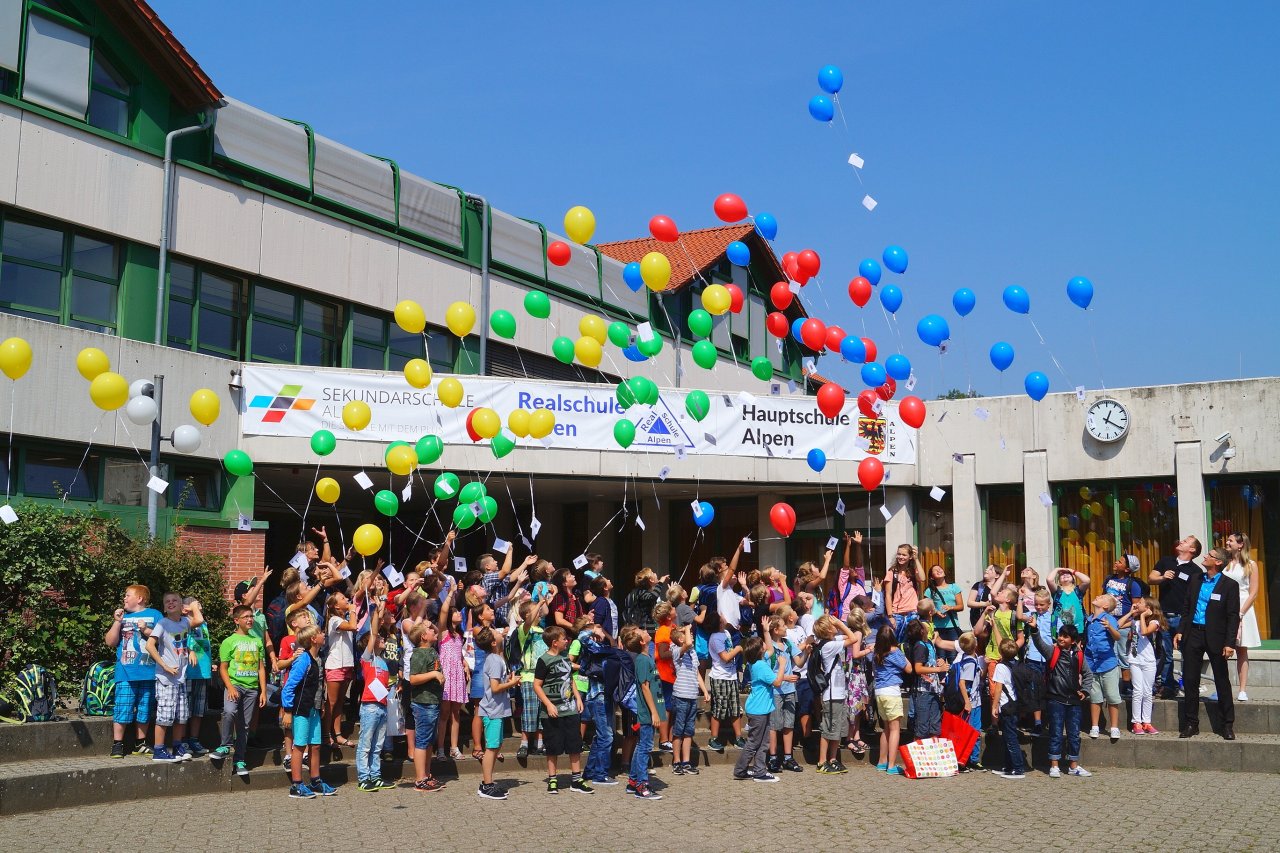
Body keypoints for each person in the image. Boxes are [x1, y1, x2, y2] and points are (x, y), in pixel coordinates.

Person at [1176, 547, 1240, 740]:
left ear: (1218, 562)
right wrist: (1180, 631)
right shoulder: (1196, 579)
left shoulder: (1229, 585)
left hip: (1217, 637)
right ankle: (1191, 724)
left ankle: (1226, 724)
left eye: (1209, 556)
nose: (1205, 557)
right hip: (1193, 633)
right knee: (1190, 679)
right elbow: (1187, 607)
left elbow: (1232, 616)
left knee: (1221, 679)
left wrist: (1230, 643)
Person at [1027, 621, 1093, 777]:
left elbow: (1088, 674)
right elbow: (1039, 643)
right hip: (1056, 698)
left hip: (1074, 701)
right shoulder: (1053, 652)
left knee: (1074, 734)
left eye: (1065, 636)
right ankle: (1054, 765)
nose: (1061, 638)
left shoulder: (1079, 655)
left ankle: (1073, 766)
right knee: (1056, 732)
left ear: (1073, 640)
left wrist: (1085, 690)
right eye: (1060, 635)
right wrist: (1035, 629)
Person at [104, 584, 163, 758]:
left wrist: (145, 630)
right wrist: (117, 621)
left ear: (140, 598)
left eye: (127, 595)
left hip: (149, 671)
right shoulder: (123, 617)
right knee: (123, 706)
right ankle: (117, 744)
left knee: (145, 708)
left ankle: (141, 743)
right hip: (126, 671)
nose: (124, 598)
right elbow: (110, 642)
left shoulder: (155, 615)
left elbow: (163, 639)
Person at [145, 592, 204, 762]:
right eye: (167, 602)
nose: (170, 603)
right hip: (166, 678)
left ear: (181, 606)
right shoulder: (163, 623)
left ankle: (178, 746)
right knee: (165, 715)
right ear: (164, 607)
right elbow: (150, 645)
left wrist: (192, 607)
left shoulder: (185, 622)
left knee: (182, 715)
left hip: (181, 677)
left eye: (174, 601)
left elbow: (199, 620)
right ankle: (159, 750)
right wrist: (164, 665)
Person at [533, 625, 592, 795]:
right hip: (552, 711)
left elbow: (570, 679)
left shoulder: (565, 657)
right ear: (554, 643)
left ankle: (576, 779)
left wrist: (578, 698)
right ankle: (552, 779)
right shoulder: (544, 660)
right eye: (564, 639)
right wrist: (549, 704)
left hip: (570, 709)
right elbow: (537, 685)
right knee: (553, 747)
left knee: (575, 745)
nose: (567, 641)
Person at [280, 625, 336, 798]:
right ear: (313, 639)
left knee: (316, 745)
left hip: (315, 709)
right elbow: (288, 688)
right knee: (300, 746)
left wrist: (322, 704)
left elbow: (319, 685)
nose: (323, 634)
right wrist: (288, 711)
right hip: (300, 709)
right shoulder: (303, 659)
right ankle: (296, 785)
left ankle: (315, 781)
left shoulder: (319, 658)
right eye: (320, 633)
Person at [212, 604, 267, 776]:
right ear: (236, 621)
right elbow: (223, 668)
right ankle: (225, 745)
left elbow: (261, 668)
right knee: (229, 712)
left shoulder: (257, 641)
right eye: (246, 617)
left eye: (251, 616)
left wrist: (263, 691)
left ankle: (240, 759)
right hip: (234, 685)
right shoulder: (229, 642)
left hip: (251, 689)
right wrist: (229, 687)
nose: (250, 619)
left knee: (244, 725)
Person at [1148, 535, 1200, 699]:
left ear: (1192, 550)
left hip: (1182, 617)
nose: (1181, 541)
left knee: (1187, 653)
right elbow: (1150, 578)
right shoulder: (1166, 561)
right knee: (1165, 653)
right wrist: (1163, 577)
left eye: (1186, 541)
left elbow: (1195, 596)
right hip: (1163, 615)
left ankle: (1188, 685)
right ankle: (1167, 685)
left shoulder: (1196, 571)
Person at [734, 634, 786, 782]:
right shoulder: (762, 666)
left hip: (759, 708)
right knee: (755, 742)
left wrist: (766, 631)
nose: (766, 645)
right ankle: (743, 770)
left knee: (763, 742)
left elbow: (770, 649)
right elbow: (777, 682)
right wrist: (782, 665)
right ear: (760, 651)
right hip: (759, 710)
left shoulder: (756, 662)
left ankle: (758, 771)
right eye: (762, 644)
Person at [355, 598, 394, 792]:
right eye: (380, 639)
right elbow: (373, 633)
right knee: (366, 744)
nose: (382, 640)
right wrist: (378, 612)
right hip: (370, 706)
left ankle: (376, 776)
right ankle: (363, 778)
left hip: (382, 706)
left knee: (378, 745)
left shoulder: (384, 662)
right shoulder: (367, 659)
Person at [622, 625, 664, 800]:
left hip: (651, 711)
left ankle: (633, 782)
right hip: (647, 712)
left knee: (641, 746)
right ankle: (642, 785)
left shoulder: (647, 658)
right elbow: (645, 688)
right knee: (645, 747)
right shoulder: (642, 660)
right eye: (643, 633)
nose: (647, 632)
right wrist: (654, 712)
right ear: (641, 641)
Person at [477, 625, 519, 800]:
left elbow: (497, 683)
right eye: (496, 633)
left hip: (497, 710)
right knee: (492, 748)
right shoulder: (494, 660)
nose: (500, 632)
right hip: (492, 711)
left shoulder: (496, 658)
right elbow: (495, 688)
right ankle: (486, 785)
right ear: (494, 642)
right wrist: (512, 683)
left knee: (496, 746)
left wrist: (508, 680)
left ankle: (488, 781)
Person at [407, 619, 445, 792]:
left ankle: (427, 774)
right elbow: (413, 679)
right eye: (429, 630)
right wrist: (434, 674)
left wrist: (430, 625)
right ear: (423, 636)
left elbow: (439, 631)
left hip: (433, 702)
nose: (433, 631)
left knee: (429, 741)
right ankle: (419, 779)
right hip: (423, 703)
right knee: (422, 740)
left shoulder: (430, 650)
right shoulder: (419, 654)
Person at [1119, 596, 1165, 734]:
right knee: (1138, 691)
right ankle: (1136, 722)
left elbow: (1145, 632)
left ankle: (1147, 722)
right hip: (1135, 659)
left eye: (1140, 603)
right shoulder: (1134, 621)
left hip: (1149, 661)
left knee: (1147, 691)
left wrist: (1144, 617)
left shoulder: (1155, 622)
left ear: (1148, 608)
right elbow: (1119, 625)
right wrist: (1130, 613)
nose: (1137, 604)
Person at [764, 615, 804, 773]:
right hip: (775, 691)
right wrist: (786, 677)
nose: (786, 627)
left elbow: (799, 662)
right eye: (783, 625)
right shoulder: (770, 646)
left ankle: (788, 757)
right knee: (774, 725)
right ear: (775, 630)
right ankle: (773, 758)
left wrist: (806, 650)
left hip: (790, 690)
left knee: (789, 724)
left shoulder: (788, 644)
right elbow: (768, 673)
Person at [1224, 532, 1261, 700]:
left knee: (1241, 649)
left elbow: (1253, 593)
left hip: (1242, 609)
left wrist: (1240, 613)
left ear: (1240, 545)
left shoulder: (1251, 565)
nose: (1227, 542)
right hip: (1224, 609)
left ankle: (1242, 689)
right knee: (1221, 649)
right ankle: (1222, 688)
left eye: (1230, 540)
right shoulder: (1225, 564)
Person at [870, 624, 911, 776]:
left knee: (885, 729)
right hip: (892, 692)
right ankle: (892, 765)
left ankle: (882, 761)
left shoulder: (876, 653)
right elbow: (909, 668)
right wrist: (902, 653)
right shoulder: (895, 652)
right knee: (895, 729)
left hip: (879, 692)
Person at [669, 624, 709, 775]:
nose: (691, 636)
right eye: (688, 634)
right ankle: (676, 761)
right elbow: (688, 643)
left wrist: (704, 690)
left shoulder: (692, 652)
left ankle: (686, 762)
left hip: (692, 696)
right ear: (681, 639)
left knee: (688, 731)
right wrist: (686, 629)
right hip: (680, 696)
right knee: (678, 730)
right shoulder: (676, 651)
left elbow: (697, 673)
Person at [323, 591, 359, 751]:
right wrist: (353, 609)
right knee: (331, 702)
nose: (347, 599)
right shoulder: (334, 620)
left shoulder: (342, 618)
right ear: (336, 605)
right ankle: (325, 734)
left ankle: (337, 733)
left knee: (339, 702)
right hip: (335, 664)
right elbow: (352, 626)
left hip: (347, 665)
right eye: (343, 599)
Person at [1017, 588, 1055, 737]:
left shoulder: (1053, 618)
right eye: (1036, 604)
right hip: (1032, 657)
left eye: (1042, 605)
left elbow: (1057, 638)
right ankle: (1037, 723)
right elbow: (1019, 616)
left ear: (1048, 604)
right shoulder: (1032, 616)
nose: (1039, 607)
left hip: (1048, 658)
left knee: (1048, 690)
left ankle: (1050, 722)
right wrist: (1020, 598)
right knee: (1034, 691)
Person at [1085, 594, 1123, 740]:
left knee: (1112, 696)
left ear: (1105, 606)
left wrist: (1109, 628)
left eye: (1101, 597)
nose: (1098, 596)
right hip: (1092, 664)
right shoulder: (1090, 619)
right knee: (1095, 697)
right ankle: (1095, 726)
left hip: (1108, 664)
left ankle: (1114, 727)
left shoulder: (1109, 619)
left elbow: (1118, 637)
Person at [904, 618, 949, 741]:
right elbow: (918, 669)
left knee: (935, 726)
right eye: (924, 625)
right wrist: (938, 670)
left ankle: (934, 754)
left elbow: (930, 661)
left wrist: (938, 662)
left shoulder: (928, 643)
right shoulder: (919, 646)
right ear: (921, 631)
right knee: (922, 728)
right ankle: (918, 756)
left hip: (934, 689)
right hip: (923, 691)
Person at [989, 638, 1025, 780]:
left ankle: (1018, 768)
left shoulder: (1001, 667)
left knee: (1010, 738)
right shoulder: (1016, 663)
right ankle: (1008, 767)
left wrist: (994, 706)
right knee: (1007, 737)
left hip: (1006, 705)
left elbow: (998, 689)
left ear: (1000, 652)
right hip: (1015, 704)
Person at [706, 616, 743, 752]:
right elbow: (726, 657)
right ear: (719, 623)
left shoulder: (725, 633)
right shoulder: (715, 638)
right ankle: (714, 738)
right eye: (721, 618)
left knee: (735, 707)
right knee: (719, 709)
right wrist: (738, 649)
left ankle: (738, 737)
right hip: (719, 677)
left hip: (731, 676)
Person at [182, 596, 212, 757]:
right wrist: (190, 650)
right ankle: (182, 739)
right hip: (188, 673)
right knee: (185, 708)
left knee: (198, 709)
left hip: (202, 672)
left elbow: (205, 646)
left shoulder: (204, 624)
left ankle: (194, 738)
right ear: (185, 609)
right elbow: (181, 639)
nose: (198, 606)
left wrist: (210, 664)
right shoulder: (184, 622)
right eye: (195, 604)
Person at [954, 632, 985, 772]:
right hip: (971, 703)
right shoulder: (970, 663)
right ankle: (964, 760)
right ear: (976, 645)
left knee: (976, 731)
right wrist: (967, 702)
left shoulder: (972, 659)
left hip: (976, 702)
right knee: (970, 731)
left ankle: (973, 759)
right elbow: (962, 683)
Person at [883, 544, 925, 639]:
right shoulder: (891, 573)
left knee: (912, 641)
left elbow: (922, 578)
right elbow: (888, 595)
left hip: (912, 612)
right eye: (899, 554)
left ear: (910, 557)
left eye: (904, 555)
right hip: (896, 614)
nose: (900, 557)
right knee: (896, 641)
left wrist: (916, 559)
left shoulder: (913, 571)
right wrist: (890, 616)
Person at [925, 563, 964, 661]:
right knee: (940, 657)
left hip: (952, 627)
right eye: (935, 570)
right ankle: (942, 676)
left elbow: (961, 606)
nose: (939, 570)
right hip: (937, 627)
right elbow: (926, 607)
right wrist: (936, 612)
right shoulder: (930, 590)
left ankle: (953, 676)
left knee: (953, 656)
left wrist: (950, 607)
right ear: (932, 577)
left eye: (940, 568)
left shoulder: (954, 587)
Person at [652, 601, 677, 752]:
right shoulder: (663, 631)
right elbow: (662, 654)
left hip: (673, 674)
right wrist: (679, 650)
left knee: (672, 707)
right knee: (666, 707)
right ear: (668, 616)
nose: (675, 609)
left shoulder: (672, 628)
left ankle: (671, 738)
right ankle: (663, 739)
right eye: (672, 609)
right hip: (664, 674)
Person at [1048, 567, 1089, 634]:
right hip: (1059, 628)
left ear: (1073, 578)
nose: (1065, 575)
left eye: (1068, 574)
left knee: (1076, 644)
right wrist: (1057, 569)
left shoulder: (1078, 591)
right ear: (1059, 580)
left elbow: (1087, 580)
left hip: (1078, 627)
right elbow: (1049, 580)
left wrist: (1073, 571)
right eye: (1062, 574)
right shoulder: (1057, 591)